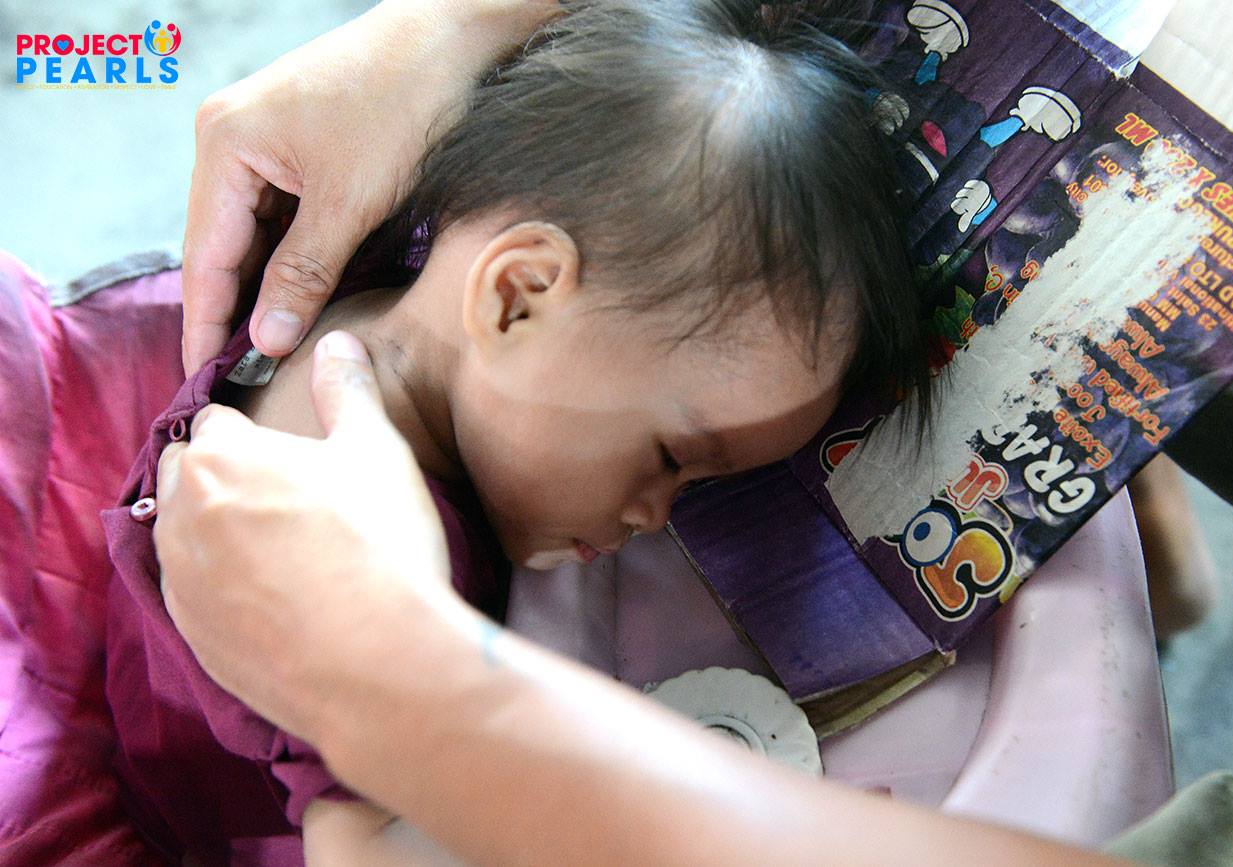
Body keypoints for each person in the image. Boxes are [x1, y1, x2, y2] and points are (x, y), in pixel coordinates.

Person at [0, 0, 960, 862]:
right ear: (516, 295)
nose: (658, 513)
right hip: (191, 814)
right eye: (670, 458)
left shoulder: (382, 259)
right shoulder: (374, 538)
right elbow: (368, 839)